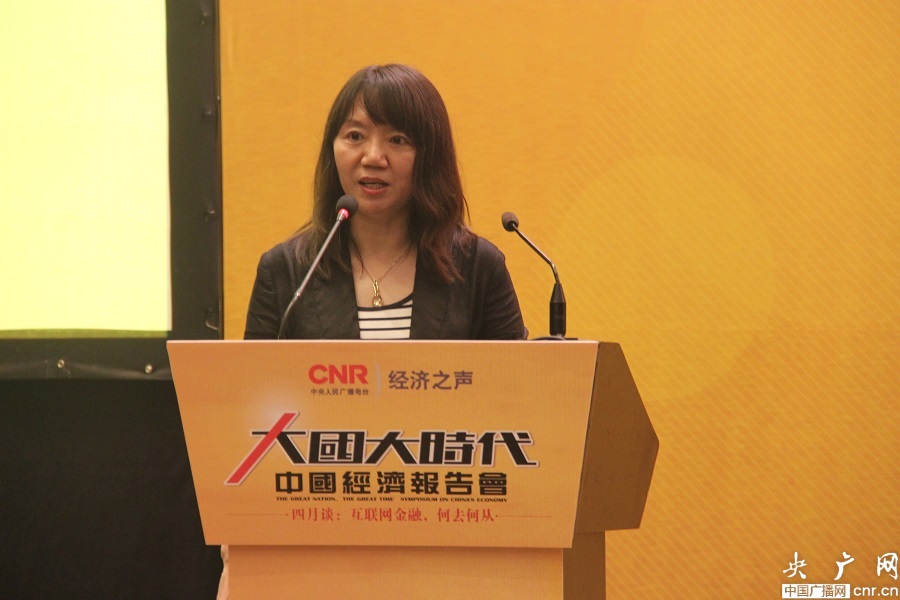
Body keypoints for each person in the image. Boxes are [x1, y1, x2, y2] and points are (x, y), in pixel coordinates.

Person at [243, 64, 526, 341]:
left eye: (397, 140)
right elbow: (255, 373)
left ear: (430, 157)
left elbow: (514, 371)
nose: (373, 158)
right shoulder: (285, 272)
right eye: (355, 136)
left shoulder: (479, 268)